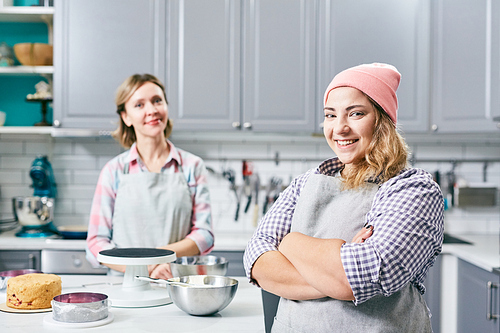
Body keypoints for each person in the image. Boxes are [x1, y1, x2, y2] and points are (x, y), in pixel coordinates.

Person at [243, 63, 444, 332]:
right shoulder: (306, 183)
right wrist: (333, 270)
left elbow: (358, 278)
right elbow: (256, 259)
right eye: (330, 115)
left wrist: (290, 243)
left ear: (383, 121)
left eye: (356, 113)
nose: (340, 128)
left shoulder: (413, 189)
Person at [86, 74, 214, 279]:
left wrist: (160, 258)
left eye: (157, 101)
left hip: (175, 282)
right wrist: (143, 267)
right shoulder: (114, 171)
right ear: (125, 117)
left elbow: (204, 235)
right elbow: (96, 243)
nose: (152, 110)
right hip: (124, 287)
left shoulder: (192, 166)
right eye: (139, 105)